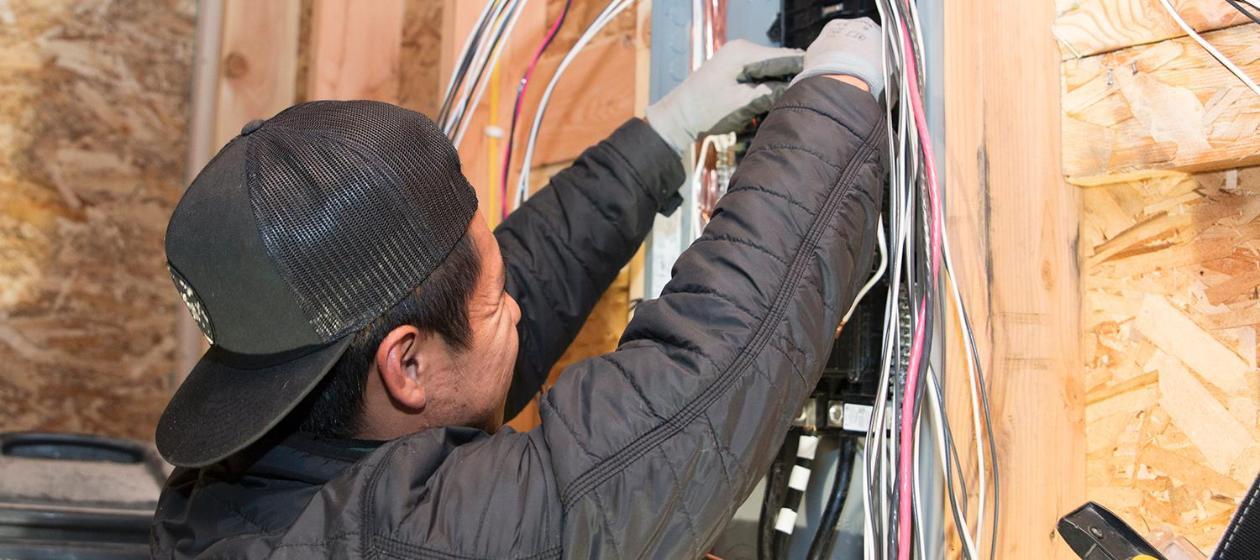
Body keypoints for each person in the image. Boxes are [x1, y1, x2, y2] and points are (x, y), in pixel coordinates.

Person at [151, 18, 886, 559]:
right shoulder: (378, 544)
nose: (517, 310)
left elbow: (497, 300)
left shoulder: (234, 486)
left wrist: (664, 135)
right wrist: (836, 101)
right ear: (405, 365)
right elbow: (678, 415)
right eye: (498, 300)